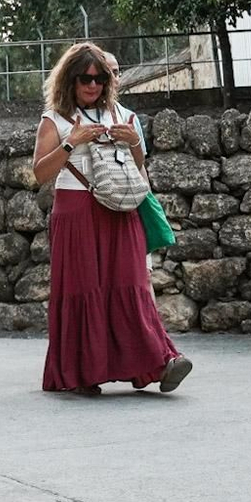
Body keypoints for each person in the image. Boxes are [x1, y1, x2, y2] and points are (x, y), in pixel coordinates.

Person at [32, 43, 192, 396]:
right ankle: (81, 373)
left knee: (131, 285)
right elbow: (40, 173)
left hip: (121, 208)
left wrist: (134, 142)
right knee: (82, 288)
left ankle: (160, 362)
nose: (93, 85)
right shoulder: (54, 119)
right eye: (85, 78)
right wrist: (71, 142)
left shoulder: (123, 115)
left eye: (100, 79)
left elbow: (138, 167)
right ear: (70, 80)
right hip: (75, 209)